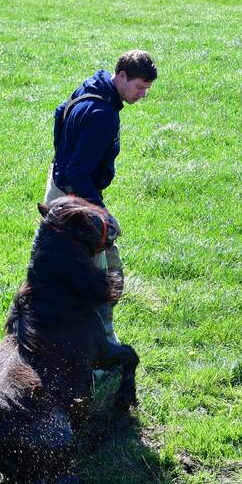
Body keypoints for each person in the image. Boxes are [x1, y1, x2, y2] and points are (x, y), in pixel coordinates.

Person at [45, 49, 157, 345]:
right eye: (139, 87)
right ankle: (103, 342)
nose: (142, 94)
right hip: (75, 200)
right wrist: (103, 216)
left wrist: (63, 162)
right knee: (104, 272)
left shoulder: (92, 85)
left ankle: (54, 330)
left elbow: (60, 113)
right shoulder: (103, 115)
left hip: (59, 188)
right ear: (121, 76)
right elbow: (80, 173)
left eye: (147, 89)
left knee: (57, 267)